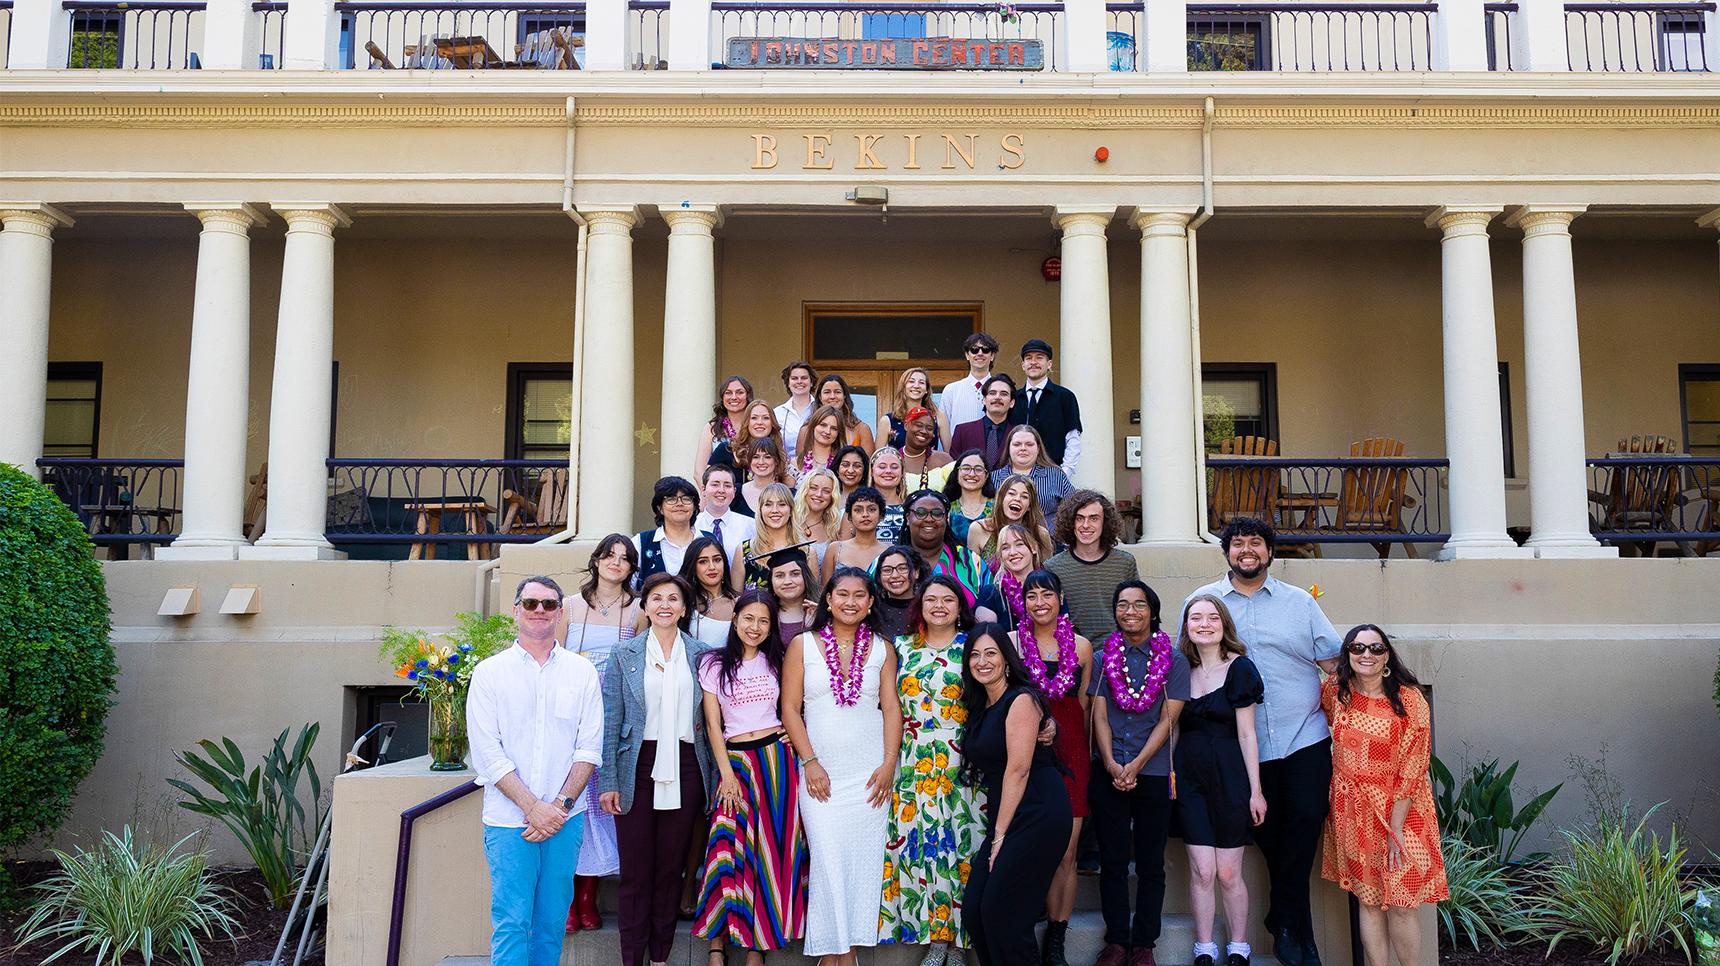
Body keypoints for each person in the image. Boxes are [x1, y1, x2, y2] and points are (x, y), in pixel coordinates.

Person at [1183, 517, 1341, 966]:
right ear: (1226, 552)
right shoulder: (1204, 603)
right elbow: (1184, 664)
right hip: (1243, 751)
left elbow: (1334, 663)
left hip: (1303, 735)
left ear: (1270, 552)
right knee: (1269, 837)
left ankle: (1288, 922)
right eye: (1237, 543)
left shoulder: (1300, 603)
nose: (1247, 550)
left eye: (1256, 543)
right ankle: (1293, 930)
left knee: (1305, 821)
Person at [468, 576, 604, 966]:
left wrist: (557, 808)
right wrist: (533, 808)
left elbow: (588, 748)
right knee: (512, 922)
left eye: (549, 604)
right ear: (516, 611)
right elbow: (488, 754)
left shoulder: (582, 672)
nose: (540, 610)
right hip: (509, 821)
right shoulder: (490, 673)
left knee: (551, 923)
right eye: (531, 603)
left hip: (565, 820)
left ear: (560, 613)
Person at [781, 567, 903, 965]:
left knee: (861, 865)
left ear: (870, 604)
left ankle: (835, 956)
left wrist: (889, 764)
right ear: (829, 601)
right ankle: (845, 956)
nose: (850, 602)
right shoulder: (803, 645)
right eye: (842, 594)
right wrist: (810, 761)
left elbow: (891, 709)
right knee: (828, 859)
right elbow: (790, 709)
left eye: (859, 595)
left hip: (870, 775)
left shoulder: (883, 649)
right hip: (821, 774)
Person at [601, 573, 719, 966]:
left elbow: (712, 722)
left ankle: (660, 958)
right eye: (656, 598)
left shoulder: (702, 655)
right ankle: (633, 958)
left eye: (673, 598)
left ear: (685, 608)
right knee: (636, 872)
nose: (665, 605)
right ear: (645, 606)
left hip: (687, 767)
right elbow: (612, 718)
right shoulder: (625, 654)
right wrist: (609, 780)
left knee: (671, 871)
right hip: (636, 766)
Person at [694, 590, 810, 963]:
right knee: (726, 848)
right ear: (735, 620)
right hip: (737, 763)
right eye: (748, 618)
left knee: (770, 852)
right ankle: (717, 942)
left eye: (763, 621)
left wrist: (794, 733)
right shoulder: (712, 663)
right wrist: (726, 774)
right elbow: (713, 725)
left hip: (777, 762)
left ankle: (756, 944)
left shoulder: (779, 660)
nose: (755, 627)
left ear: (772, 626)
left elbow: (793, 707)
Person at [1321, 625, 1446, 966]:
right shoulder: (1337, 691)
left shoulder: (1409, 700)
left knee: (1403, 903)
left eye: (1376, 648)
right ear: (1347, 654)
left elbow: (1413, 767)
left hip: (1403, 812)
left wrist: (1395, 830)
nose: (1367, 655)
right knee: (1369, 900)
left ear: (1387, 655)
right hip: (1354, 812)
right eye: (1358, 648)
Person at [880, 575, 987, 962]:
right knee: (925, 848)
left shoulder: (973, 646)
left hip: (963, 758)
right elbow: (888, 707)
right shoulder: (901, 647)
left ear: (960, 607)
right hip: (914, 759)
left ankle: (960, 943)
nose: (939, 606)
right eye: (931, 599)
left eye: (948, 600)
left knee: (962, 846)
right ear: (919, 606)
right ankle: (936, 937)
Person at [1088, 581, 1190, 966]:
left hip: (1154, 772)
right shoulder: (1102, 658)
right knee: (1112, 860)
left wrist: (1137, 764)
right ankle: (1116, 940)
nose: (1130, 611)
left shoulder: (1174, 661)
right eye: (1123, 604)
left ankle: (1145, 943)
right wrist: (1111, 763)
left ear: (1152, 611)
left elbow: (1169, 719)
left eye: (1139, 604)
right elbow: (1098, 715)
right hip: (1109, 769)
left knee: (1150, 862)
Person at [958, 622, 1073, 966]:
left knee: (1004, 915)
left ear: (1007, 659)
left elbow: (1018, 770)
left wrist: (998, 836)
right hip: (1008, 812)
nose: (982, 661)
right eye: (974, 655)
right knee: (976, 912)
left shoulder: (1021, 699)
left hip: (1038, 811)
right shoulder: (982, 706)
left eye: (991, 653)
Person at [1007, 569, 1093, 966]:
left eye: (1047, 595)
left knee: (1066, 852)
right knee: (1027, 844)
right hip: (1025, 751)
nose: (1040, 603)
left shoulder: (1082, 647)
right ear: (1022, 602)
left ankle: (1056, 939)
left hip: (1071, 750)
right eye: (1032, 596)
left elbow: (1085, 708)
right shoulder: (1011, 644)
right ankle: (1024, 924)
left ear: (1060, 599)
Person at [1176, 594, 1267, 966]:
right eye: (1196, 618)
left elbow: (1248, 734)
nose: (1204, 624)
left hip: (1230, 777)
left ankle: (1239, 947)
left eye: (1212, 617)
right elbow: (1172, 729)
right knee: (1202, 870)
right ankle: (1204, 949)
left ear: (1224, 624)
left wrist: (1256, 791)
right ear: (1186, 627)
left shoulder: (1240, 669)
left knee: (1228, 872)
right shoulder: (1179, 669)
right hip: (1189, 779)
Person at [563, 535, 641, 929]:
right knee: (570, 800)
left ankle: (588, 896)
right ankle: (567, 899)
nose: (616, 562)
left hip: (612, 714)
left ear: (631, 568)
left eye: (624, 558)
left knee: (598, 805)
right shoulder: (568, 605)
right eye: (609, 555)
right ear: (596, 561)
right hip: (570, 714)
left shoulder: (637, 610)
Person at [1044, 491, 1140, 641]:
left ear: (1105, 522)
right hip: (1072, 650)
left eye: (1094, 518)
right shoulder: (1053, 567)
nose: (1086, 525)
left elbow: (1136, 609)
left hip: (1118, 649)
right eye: (1079, 518)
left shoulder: (1125, 563)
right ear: (1070, 522)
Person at [902, 489, 991, 604]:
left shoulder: (970, 561)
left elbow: (991, 602)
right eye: (920, 512)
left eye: (937, 513)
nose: (929, 519)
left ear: (946, 519)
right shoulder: (892, 560)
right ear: (908, 518)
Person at [1011, 339, 1082, 474]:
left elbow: (1073, 437)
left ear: (1049, 364)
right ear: (1023, 365)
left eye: (1039, 358)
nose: (1033, 362)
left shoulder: (1065, 397)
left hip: (1052, 472)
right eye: (1028, 358)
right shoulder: (1014, 398)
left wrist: (1065, 472)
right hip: (1018, 473)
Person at [967, 473, 1055, 566]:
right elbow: (972, 571)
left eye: (1024, 497)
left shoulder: (1040, 534)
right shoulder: (978, 529)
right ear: (1001, 498)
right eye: (1011, 493)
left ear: (1029, 506)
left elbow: (1047, 572)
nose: (1017, 499)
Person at [990, 425, 1074, 521]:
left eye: (1029, 444)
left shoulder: (1055, 475)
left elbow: (1074, 507)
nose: (1023, 448)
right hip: (1003, 530)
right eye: (1017, 444)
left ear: (1038, 448)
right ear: (1008, 448)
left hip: (1047, 530)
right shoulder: (993, 478)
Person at [635, 476, 705, 587]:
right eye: (671, 499)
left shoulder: (708, 539)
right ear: (660, 508)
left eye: (686, 499)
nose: (679, 503)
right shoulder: (641, 542)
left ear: (694, 506)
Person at [973, 523, 1046, 626]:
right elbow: (986, 633)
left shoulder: (1050, 587)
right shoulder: (990, 594)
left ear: (1033, 548)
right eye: (1005, 548)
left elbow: (1062, 629)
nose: (1012, 552)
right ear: (1001, 556)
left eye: (1019, 544)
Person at [731, 483, 799, 591]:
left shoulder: (806, 551)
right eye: (768, 504)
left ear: (791, 510)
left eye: (782, 504)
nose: (775, 510)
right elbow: (736, 597)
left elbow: (813, 597)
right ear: (760, 510)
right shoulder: (744, 550)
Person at [677, 535, 738, 646]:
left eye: (717, 560)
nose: (712, 567)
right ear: (693, 567)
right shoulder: (684, 603)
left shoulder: (738, 603)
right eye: (703, 562)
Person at [950, 374, 1018, 471]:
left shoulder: (1018, 435)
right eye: (992, 393)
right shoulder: (962, 431)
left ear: (1012, 403)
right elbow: (954, 468)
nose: (997, 397)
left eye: (1004, 394)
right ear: (984, 400)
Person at [823, 487, 889, 584]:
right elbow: (825, 589)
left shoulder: (889, 551)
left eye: (872, 509)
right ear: (849, 516)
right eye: (858, 510)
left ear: (881, 515)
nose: (865, 514)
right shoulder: (835, 549)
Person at [695, 376, 755, 480]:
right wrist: (707, 489)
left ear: (748, 396)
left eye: (740, 392)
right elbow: (699, 472)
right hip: (720, 488)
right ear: (722, 397)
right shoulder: (712, 428)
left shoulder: (756, 426)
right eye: (728, 393)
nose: (734, 397)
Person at [939, 332, 1001, 431]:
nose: (980, 353)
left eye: (985, 350)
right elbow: (943, 428)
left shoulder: (1002, 391)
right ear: (967, 355)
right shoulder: (951, 390)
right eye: (974, 350)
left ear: (992, 356)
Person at [881, 367, 949, 451]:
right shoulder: (887, 420)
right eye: (911, 381)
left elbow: (949, 454)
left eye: (921, 382)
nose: (916, 386)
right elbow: (878, 456)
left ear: (926, 390)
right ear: (903, 387)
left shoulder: (938, 417)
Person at [695, 464, 756, 556]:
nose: (721, 490)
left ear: (734, 491)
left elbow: (750, 559)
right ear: (703, 490)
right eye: (715, 485)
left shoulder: (750, 526)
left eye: (727, 486)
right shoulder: (693, 525)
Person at [871, 544, 924, 642]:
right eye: (887, 570)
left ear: (916, 572)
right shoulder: (872, 610)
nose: (895, 575)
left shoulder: (927, 608)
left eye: (902, 568)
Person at [942, 449, 995, 546]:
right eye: (966, 468)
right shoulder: (946, 508)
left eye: (978, 469)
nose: (971, 474)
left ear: (986, 475)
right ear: (957, 473)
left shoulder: (997, 506)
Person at [767, 547, 819, 644]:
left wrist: (816, 624)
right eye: (779, 575)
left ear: (806, 577)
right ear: (771, 581)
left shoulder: (821, 612)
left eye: (795, 574)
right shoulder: (765, 612)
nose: (787, 582)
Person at [817, 374, 877, 454]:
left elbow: (867, 461)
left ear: (844, 395)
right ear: (820, 397)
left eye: (837, 392)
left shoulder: (862, 429)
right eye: (827, 392)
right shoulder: (808, 429)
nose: (832, 396)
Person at [899, 407, 954, 494]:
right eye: (919, 425)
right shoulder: (894, 460)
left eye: (929, 428)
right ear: (906, 426)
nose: (924, 431)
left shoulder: (944, 460)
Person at [775, 361, 819, 464]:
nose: (799, 381)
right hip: (786, 468)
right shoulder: (777, 413)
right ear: (788, 383)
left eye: (804, 378)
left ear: (811, 382)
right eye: (794, 378)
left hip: (818, 469)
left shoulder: (821, 410)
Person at [738, 437, 791, 513]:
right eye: (756, 457)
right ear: (749, 461)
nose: (761, 462)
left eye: (767, 457)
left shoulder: (790, 495)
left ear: (776, 461)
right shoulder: (735, 493)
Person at [795, 405, 846, 482]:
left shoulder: (843, 465)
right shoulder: (795, 464)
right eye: (823, 425)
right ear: (813, 426)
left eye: (834, 428)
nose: (827, 431)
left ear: (838, 433)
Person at [794, 467, 842, 546]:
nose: (819, 494)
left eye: (826, 491)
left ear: (833, 497)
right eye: (813, 488)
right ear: (804, 490)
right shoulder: (789, 520)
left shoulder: (835, 527)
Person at [871, 447, 909, 544]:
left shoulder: (911, 507)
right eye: (882, 467)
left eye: (894, 467)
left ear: (902, 473)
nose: (888, 471)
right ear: (871, 471)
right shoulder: (858, 506)